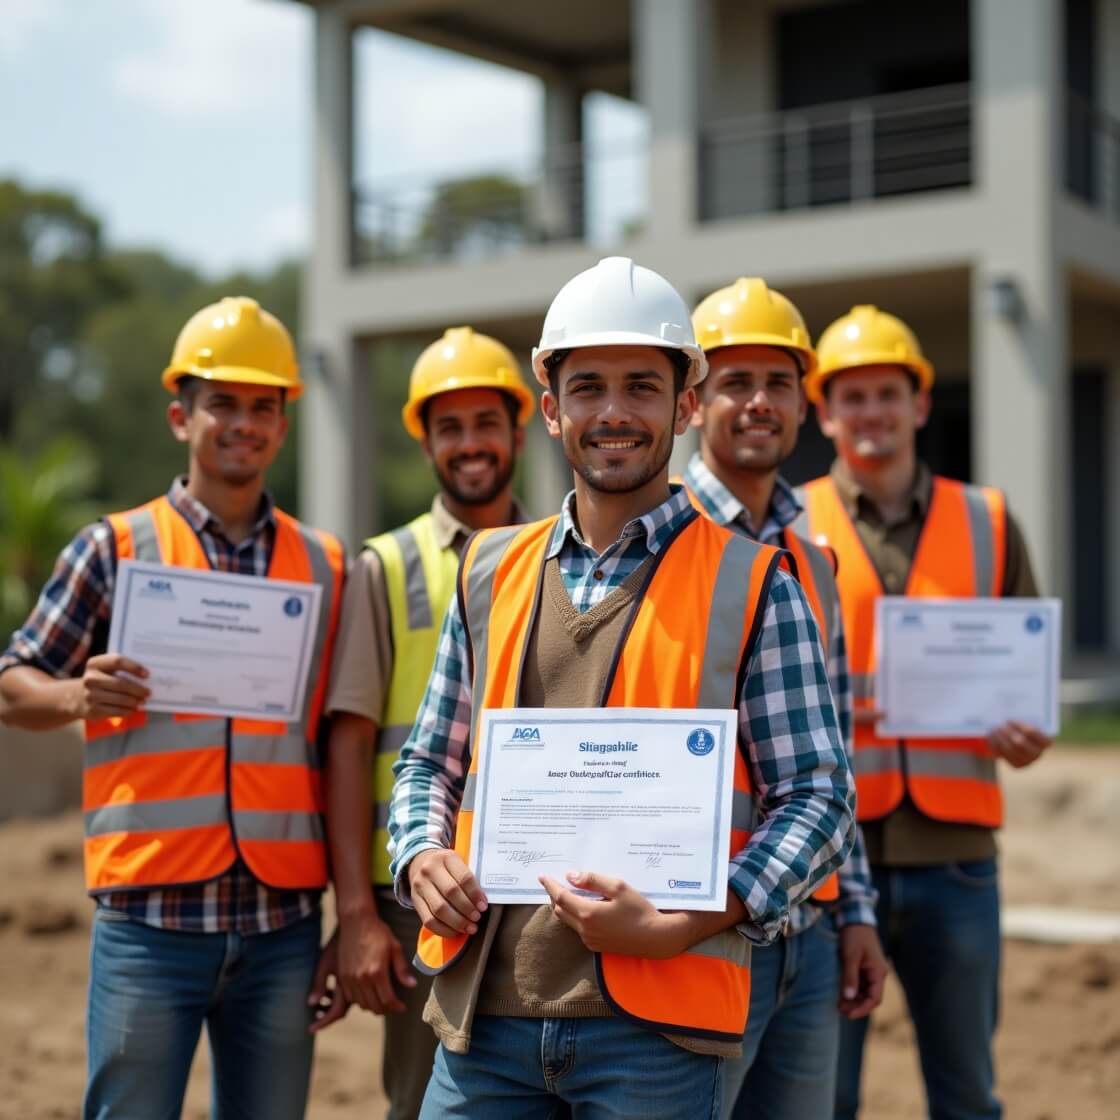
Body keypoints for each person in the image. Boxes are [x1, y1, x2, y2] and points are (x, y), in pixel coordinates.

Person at [388, 256, 856, 1118]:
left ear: (683, 406)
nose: (613, 412)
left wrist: (685, 922)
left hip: (658, 1033)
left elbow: (819, 800)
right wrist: (420, 852)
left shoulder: (757, 582)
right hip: (482, 1021)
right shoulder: (487, 572)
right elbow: (426, 763)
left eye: (642, 386)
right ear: (551, 405)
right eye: (589, 386)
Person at [0, 297, 346, 1120]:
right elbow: (13, 683)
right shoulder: (114, 549)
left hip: (281, 922)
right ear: (179, 416)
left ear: (283, 425)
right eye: (222, 402)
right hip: (150, 918)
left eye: (264, 406)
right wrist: (76, 694)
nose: (244, 423)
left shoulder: (327, 565)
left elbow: (337, 736)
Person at [795, 305, 1050, 1120]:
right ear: (826, 413)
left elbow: (1026, 683)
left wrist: (1026, 733)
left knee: (967, 1094)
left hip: (958, 859)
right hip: (833, 862)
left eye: (888, 394)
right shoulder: (788, 526)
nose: (872, 412)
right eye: (853, 397)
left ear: (920, 404)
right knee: (822, 1094)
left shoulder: (991, 521)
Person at [683, 278, 887, 1120]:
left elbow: (827, 755)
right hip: (700, 934)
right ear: (696, 401)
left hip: (810, 933)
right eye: (736, 382)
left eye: (778, 383)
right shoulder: (660, 539)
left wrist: (858, 910)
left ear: (804, 405)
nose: (759, 402)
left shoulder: (816, 560)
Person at [321, 327, 533, 1119]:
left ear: (519, 428)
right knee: (420, 1103)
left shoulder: (558, 551)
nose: (470, 444)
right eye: (450, 427)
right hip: (416, 895)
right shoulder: (387, 566)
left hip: (531, 885)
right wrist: (355, 917)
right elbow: (348, 745)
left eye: (486, 423)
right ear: (425, 440)